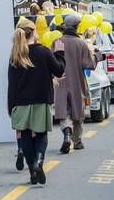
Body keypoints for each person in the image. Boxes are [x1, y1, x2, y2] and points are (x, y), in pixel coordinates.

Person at [8, 18, 65, 186]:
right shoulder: (44, 52)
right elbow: (59, 70)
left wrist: (10, 106)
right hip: (41, 100)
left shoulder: (15, 55)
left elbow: (11, 84)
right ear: (33, 32)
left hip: (20, 102)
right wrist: (60, 54)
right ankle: (39, 161)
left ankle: (33, 172)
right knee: (41, 134)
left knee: (24, 135)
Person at [53, 14, 96, 155]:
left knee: (63, 111)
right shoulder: (81, 43)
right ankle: (77, 141)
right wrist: (98, 56)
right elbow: (89, 64)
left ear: (65, 26)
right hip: (77, 82)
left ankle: (66, 132)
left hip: (60, 81)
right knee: (78, 112)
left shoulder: (56, 42)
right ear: (77, 26)